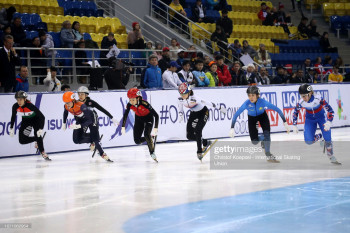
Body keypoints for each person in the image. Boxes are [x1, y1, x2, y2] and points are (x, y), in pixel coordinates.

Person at [229, 86, 290, 162]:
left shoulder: (262, 102)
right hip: (252, 118)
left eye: (253, 95)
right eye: (249, 95)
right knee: (254, 141)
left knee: (267, 134)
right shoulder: (246, 103)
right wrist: (232, 127)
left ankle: (268, 154)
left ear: (257, 95)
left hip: (262, 116)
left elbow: (278, 110)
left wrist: (285, 122)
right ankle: (264, 140)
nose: (251, 98)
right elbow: (236, 115)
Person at [292, 84, 340, 164]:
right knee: (308, 141)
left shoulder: (318, 99)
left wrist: (329, 122)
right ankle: (321, 136)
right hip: (310, 119)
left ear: (310, 93)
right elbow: (295, 112)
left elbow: (331, 111)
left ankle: (330, 156)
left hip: (321, 117)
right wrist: (294, 124)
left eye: (304, 96)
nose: (303, 98)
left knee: (328, 138)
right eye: (301, 96)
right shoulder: (301, 102)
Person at [178, 82, 226, 161]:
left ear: (189, 92)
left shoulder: (195, 98)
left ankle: (199, 151)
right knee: (189, 136)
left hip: (203, 112)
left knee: (198, 130)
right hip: (194, 113)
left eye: (184, 94)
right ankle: (205, 142)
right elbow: (180, 106)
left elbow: (208, 103)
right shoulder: (180, 99)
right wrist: (180, 114)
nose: (182, 96)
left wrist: (220, 108)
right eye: (180, 94)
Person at [62, 91, 113, 162]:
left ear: (73, 100)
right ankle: (93, 139)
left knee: (95, 139)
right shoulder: (66, 106)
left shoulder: (81, 105)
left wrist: (79, 126)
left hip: (91, 118)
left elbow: (90, 120)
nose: (67, 105)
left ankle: (102, 153)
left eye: (68, 102)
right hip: (81, 119)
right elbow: (65, 112)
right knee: (76, 140)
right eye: (65, 103)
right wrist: (64, 123)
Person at [9, 91, 50, 160]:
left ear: (25, 99)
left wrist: (41, 128)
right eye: (17, 100)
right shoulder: (15, 106)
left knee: (38, 134)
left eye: (20, 99)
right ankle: (37, 139)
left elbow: (42, 117)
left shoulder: (30, 106)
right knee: (22, 141)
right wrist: (11, 127)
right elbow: (13, 116)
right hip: (26, 120)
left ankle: (43, 152)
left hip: (35, 120)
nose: (19, 102)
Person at [121, 88, 159, 162]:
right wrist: (123, 126)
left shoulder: (145, 104)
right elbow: (125, 115)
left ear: (138, 98)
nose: (131, 102)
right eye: (130, 100)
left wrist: (155, 128)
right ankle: (151, 138)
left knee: (146, 134)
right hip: (139, 119)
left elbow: (156, 115)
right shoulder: (129, 105)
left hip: (148, 118)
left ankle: (152, 153)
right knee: (137, 141)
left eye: (133, 100)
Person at [77, 86, 118, 153]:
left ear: (86, 95)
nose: (80, 96)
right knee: (82, 134)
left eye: (82, 94)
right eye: (79, 94)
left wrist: (112, 117)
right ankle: (93, 140)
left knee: (94, 129)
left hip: (93, 118)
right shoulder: (77, 103)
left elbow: (102, 109)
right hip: (84, 119)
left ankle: (97, 143)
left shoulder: (90, 102)